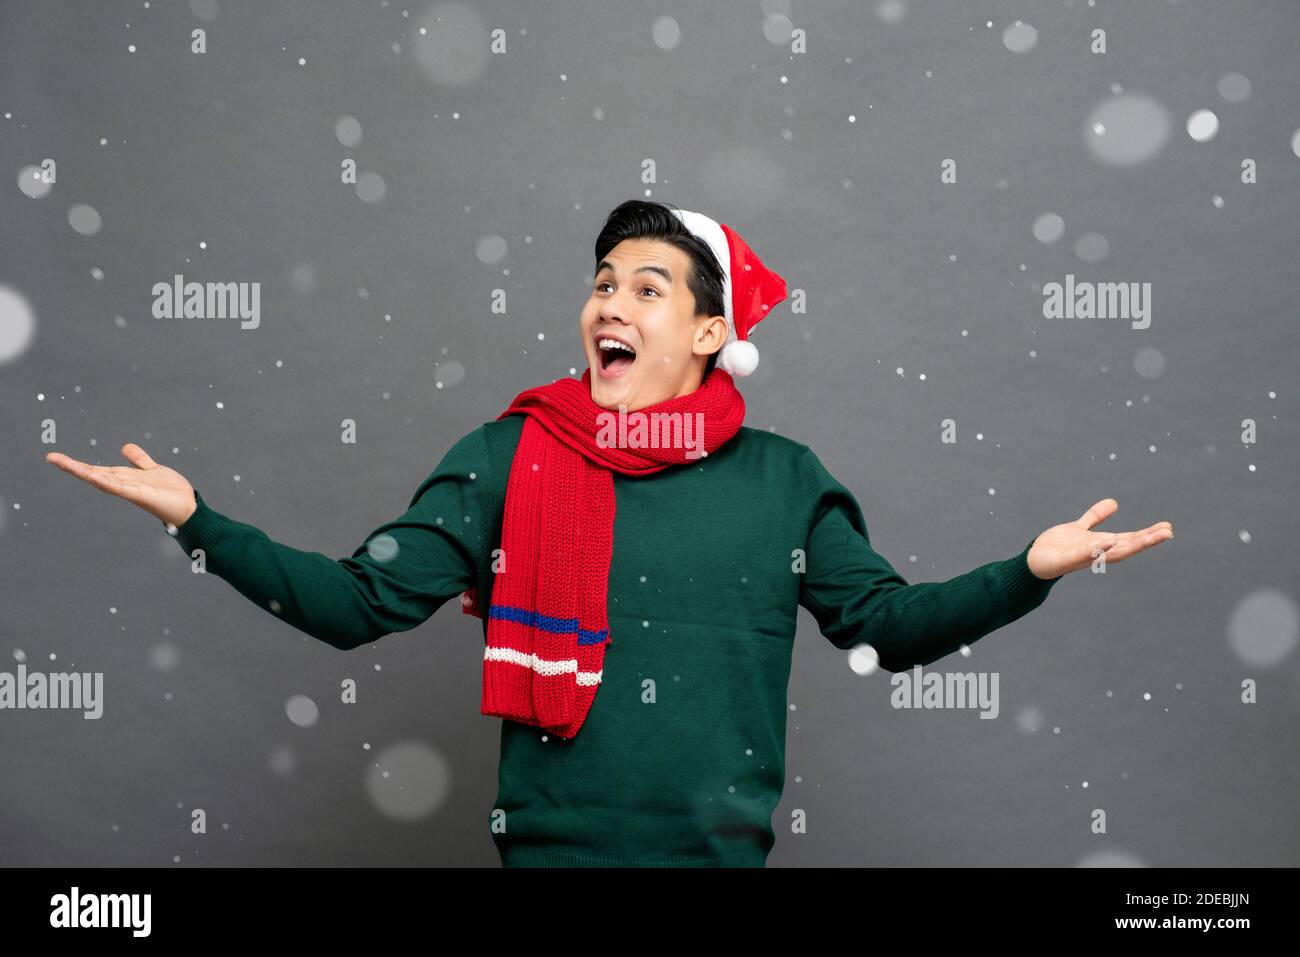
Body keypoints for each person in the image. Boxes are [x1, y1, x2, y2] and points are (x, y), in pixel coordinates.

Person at [46, 199, 1173, 867]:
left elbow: (884, 627)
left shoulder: (784, 481)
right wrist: (200, 522)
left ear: (712, 330)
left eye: (645, 287)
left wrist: (1029, 571)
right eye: (600, 286)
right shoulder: (507, 455)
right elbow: (357, 607)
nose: (609, 308)